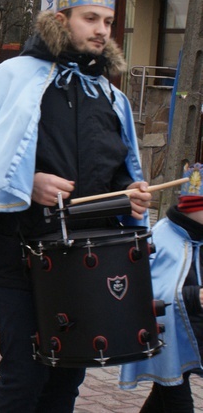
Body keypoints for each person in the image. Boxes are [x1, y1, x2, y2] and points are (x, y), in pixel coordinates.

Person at [0, 0, 152, 411]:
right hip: (20, 253)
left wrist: (129, 191)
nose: (102, 30)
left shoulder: (107, 93)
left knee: (67, 376)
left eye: (108, 20)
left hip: (84, 258)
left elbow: (113, 168)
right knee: (24, 374)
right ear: (62, 20)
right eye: (90, 18)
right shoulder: (14, 76)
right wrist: (26, 184)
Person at [119, 163, 203, 411]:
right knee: (177, 401)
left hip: (193, 336)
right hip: (167, 338)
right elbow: (143, 293)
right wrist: (191, 296)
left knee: (164, 397)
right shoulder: (162, 237)